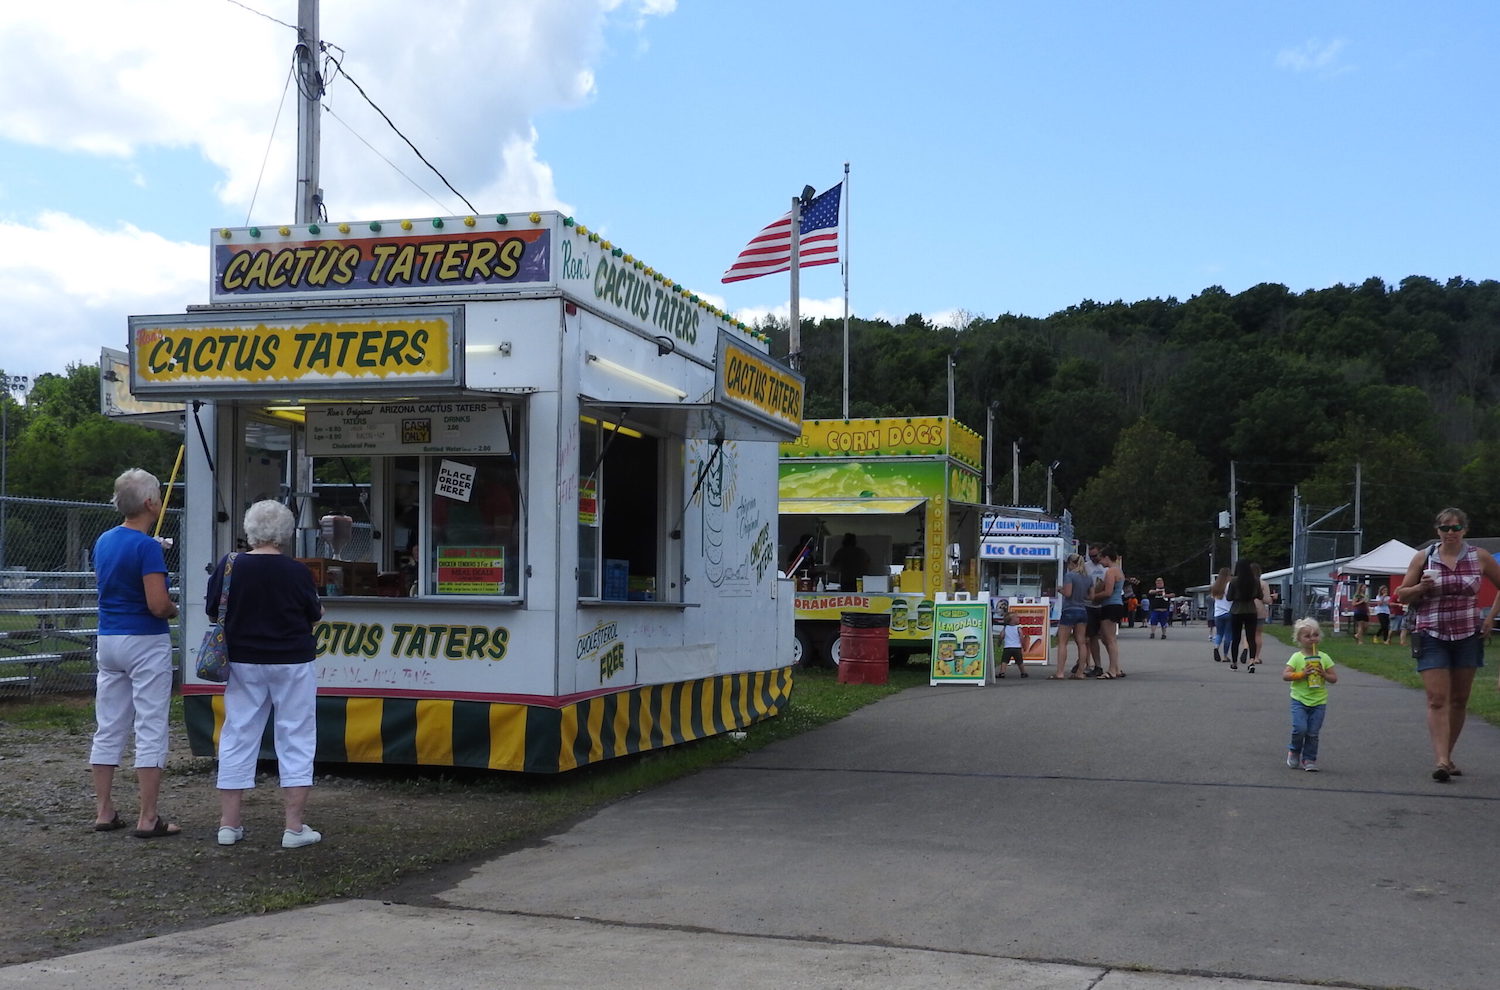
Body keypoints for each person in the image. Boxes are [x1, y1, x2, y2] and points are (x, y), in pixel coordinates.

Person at [208, 500, 326, 848]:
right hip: (293, 662)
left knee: (238, 734)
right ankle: (294, 828)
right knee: (296, 736)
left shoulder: (229, 565)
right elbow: (313, 614)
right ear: (285, 533)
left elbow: (213, 611)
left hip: (243, 661)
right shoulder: (297, 572)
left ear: (250, 530)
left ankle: (229, 825)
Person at [89, 468, 181, 838]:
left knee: (109, 724)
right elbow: (157, 605)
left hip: (109, 638)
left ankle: (104, 810)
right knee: (150, 724)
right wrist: (174, 608)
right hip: (145, 641)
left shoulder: (104, 540)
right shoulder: (147, 548)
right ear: (150, 503)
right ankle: (148, 817)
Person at [1395, 507, 1500, 783]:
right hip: (1431, 633)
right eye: (1445, 528)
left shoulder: (1480, 557)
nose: (1450, 533)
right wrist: (1421, 588)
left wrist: (1490, 617)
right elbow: (1401, 595)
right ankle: (1441, 760)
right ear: (1437, 530)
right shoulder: (1424, 557)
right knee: (1437, 698)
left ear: (1465, 530)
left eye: (1456, 528)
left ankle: (1448, 755)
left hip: (1468, 634)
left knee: (1459, 699)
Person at [1283, 617, 1337, 772]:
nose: (1312, 638)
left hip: (1319, 701)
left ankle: (1309, 759)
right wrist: (1301, 674)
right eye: (1307, 636)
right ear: (1299, 639)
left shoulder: (1324, 658)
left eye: (1315, 635)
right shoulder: (1297, 657)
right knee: (1300, 728)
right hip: (1299, 699)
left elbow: (1334, 678)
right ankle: (1294, 750)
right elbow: (1285, 675)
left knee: (1313, 732)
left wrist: (1324, 674)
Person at [1050, 552, 1091, 679]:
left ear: (1071, 564)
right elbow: (1091, 596)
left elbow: (1068, 593)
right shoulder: (1088, 577)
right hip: (1082, 610)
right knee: (1081, 642)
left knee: (1062, 642)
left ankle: (1060, 672)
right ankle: (1080, 672)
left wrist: (1059, 590)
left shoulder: (1070, 575)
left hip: (1069, 610)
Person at [1090, 545, 1125, 678]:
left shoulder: (1111, 572)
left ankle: (1112, 670)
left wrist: (1094, 596)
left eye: (1101, 558)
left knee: (1109, 639)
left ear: (1107, 557)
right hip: (1116, 605)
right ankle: (1116, 668)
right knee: (1107, 638)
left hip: (1110, 605)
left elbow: (1108, 592)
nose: (1099, 562)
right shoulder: (1119, 571)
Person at [1226, 559, 1263, 671]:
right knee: (1251, 637)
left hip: (1236, 611)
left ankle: (1234, 662)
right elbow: (1260, 596)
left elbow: (1229, 597)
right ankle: (1251, 662)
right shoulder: (1255, 581)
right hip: (1251, 610)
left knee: (1236, 638)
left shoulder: (1234, 581)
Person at [1209, 566, 1233, 663]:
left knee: (1219, 633)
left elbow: (1213, 598)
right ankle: (1225, 656)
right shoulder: (1229, 585)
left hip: (1218, 613)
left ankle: (1216, 647)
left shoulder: (1215, 586)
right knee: (1228, 635)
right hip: (1229, 612)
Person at [995, 606, 1026, 677]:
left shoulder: (1005, 628)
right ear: (1012, 620)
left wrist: (999, 643)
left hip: (1007, 648)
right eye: (1017, 617)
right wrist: (1023, 645)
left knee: (1004, 661)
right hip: (1017, 648)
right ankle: (1023, 673)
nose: (1018, 618)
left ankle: (1002, 672)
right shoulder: (1018, 628)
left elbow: (1001, 636)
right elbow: (1021, 637)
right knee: (1020, 661)